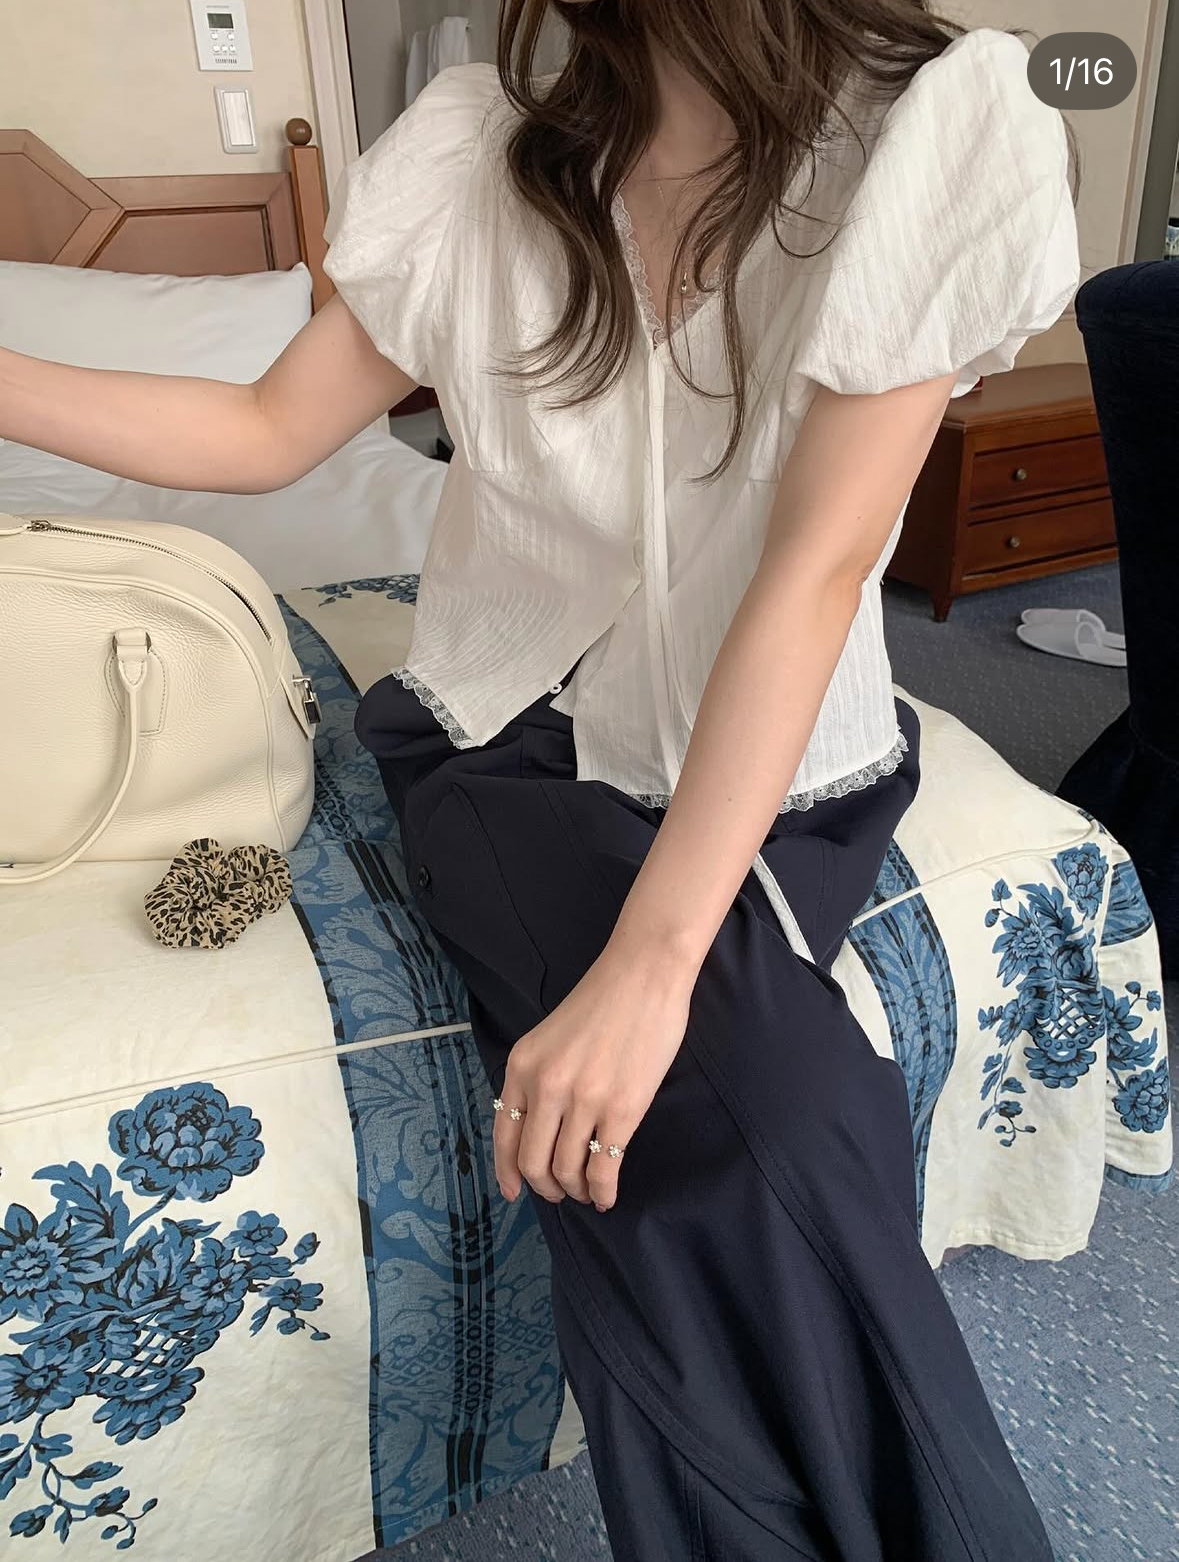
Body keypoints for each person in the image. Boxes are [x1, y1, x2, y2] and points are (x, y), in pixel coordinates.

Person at [0, 3, 1080, 1555]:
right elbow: (262, 426)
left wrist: (649, 967)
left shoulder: (941, 123)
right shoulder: (474, 150)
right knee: (780, 1106)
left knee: (758, 1104)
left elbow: (820, 560)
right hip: (498, 735)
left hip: (792, 763)